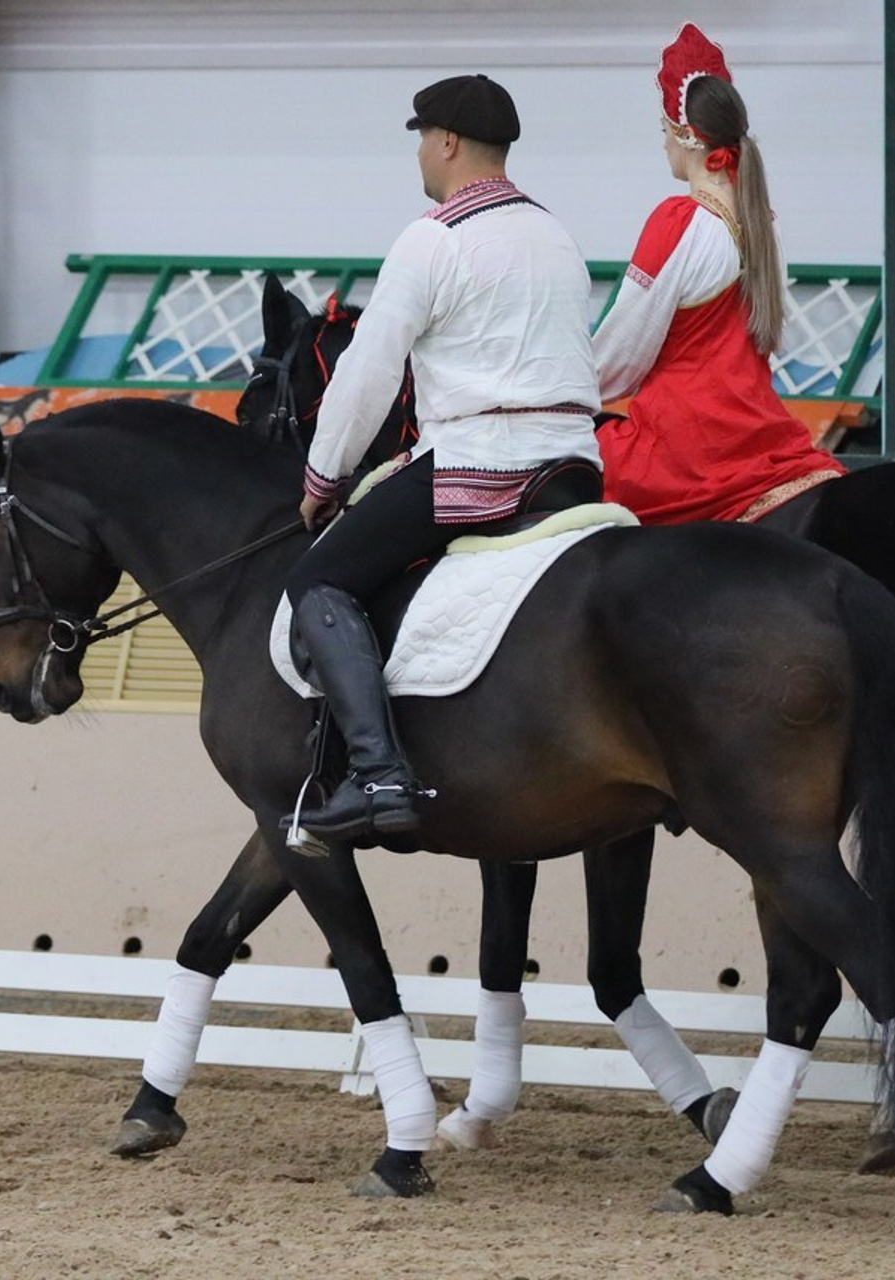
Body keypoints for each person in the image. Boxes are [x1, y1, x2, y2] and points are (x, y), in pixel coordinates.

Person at [285, 73, 603, 843]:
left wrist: (323, 477)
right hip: (576, 466)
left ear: (449, 141)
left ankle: (379, 776)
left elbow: (366, 372)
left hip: (480, 466)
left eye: (422, 138)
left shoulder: (434, 236)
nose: (421, 154)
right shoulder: (556, 234)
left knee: (318, 577)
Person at [592, 24, 845, 525]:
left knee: (564, 472)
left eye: (664, 131)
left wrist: (559, 392)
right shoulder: (763, 226)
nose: (663, 145)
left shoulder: (679, 222)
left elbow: (621, 357)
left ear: (686, 135)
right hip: (758, 431)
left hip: (683, 447)